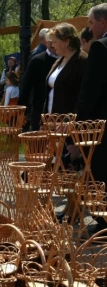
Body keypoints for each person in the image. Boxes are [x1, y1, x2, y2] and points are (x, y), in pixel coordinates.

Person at [77, 3, 107, 232]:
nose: (89, 27)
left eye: (90, 22)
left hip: (101, 126)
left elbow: (89, 93)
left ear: (102, 22)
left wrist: (78, 130)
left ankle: (104, 222)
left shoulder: (100, 48)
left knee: (101, 172)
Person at [17, 33, 58, 131]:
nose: (52, 45)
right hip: (40, 108)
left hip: (61, 112)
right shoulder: (37, 60)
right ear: (45, 41)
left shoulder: (65, 59)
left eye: (55, 42)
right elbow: (26, 86)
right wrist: (22, 111)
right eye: (50, 42)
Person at [44, 23, 87, 116]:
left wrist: (71, 120)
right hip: (51, 121)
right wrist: (43, 121)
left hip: (68, 124)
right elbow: (49, 93)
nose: (52, 45)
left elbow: (84, 97)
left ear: (66, 42)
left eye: (55, 42)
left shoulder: (83, 61)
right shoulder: (59, 60)